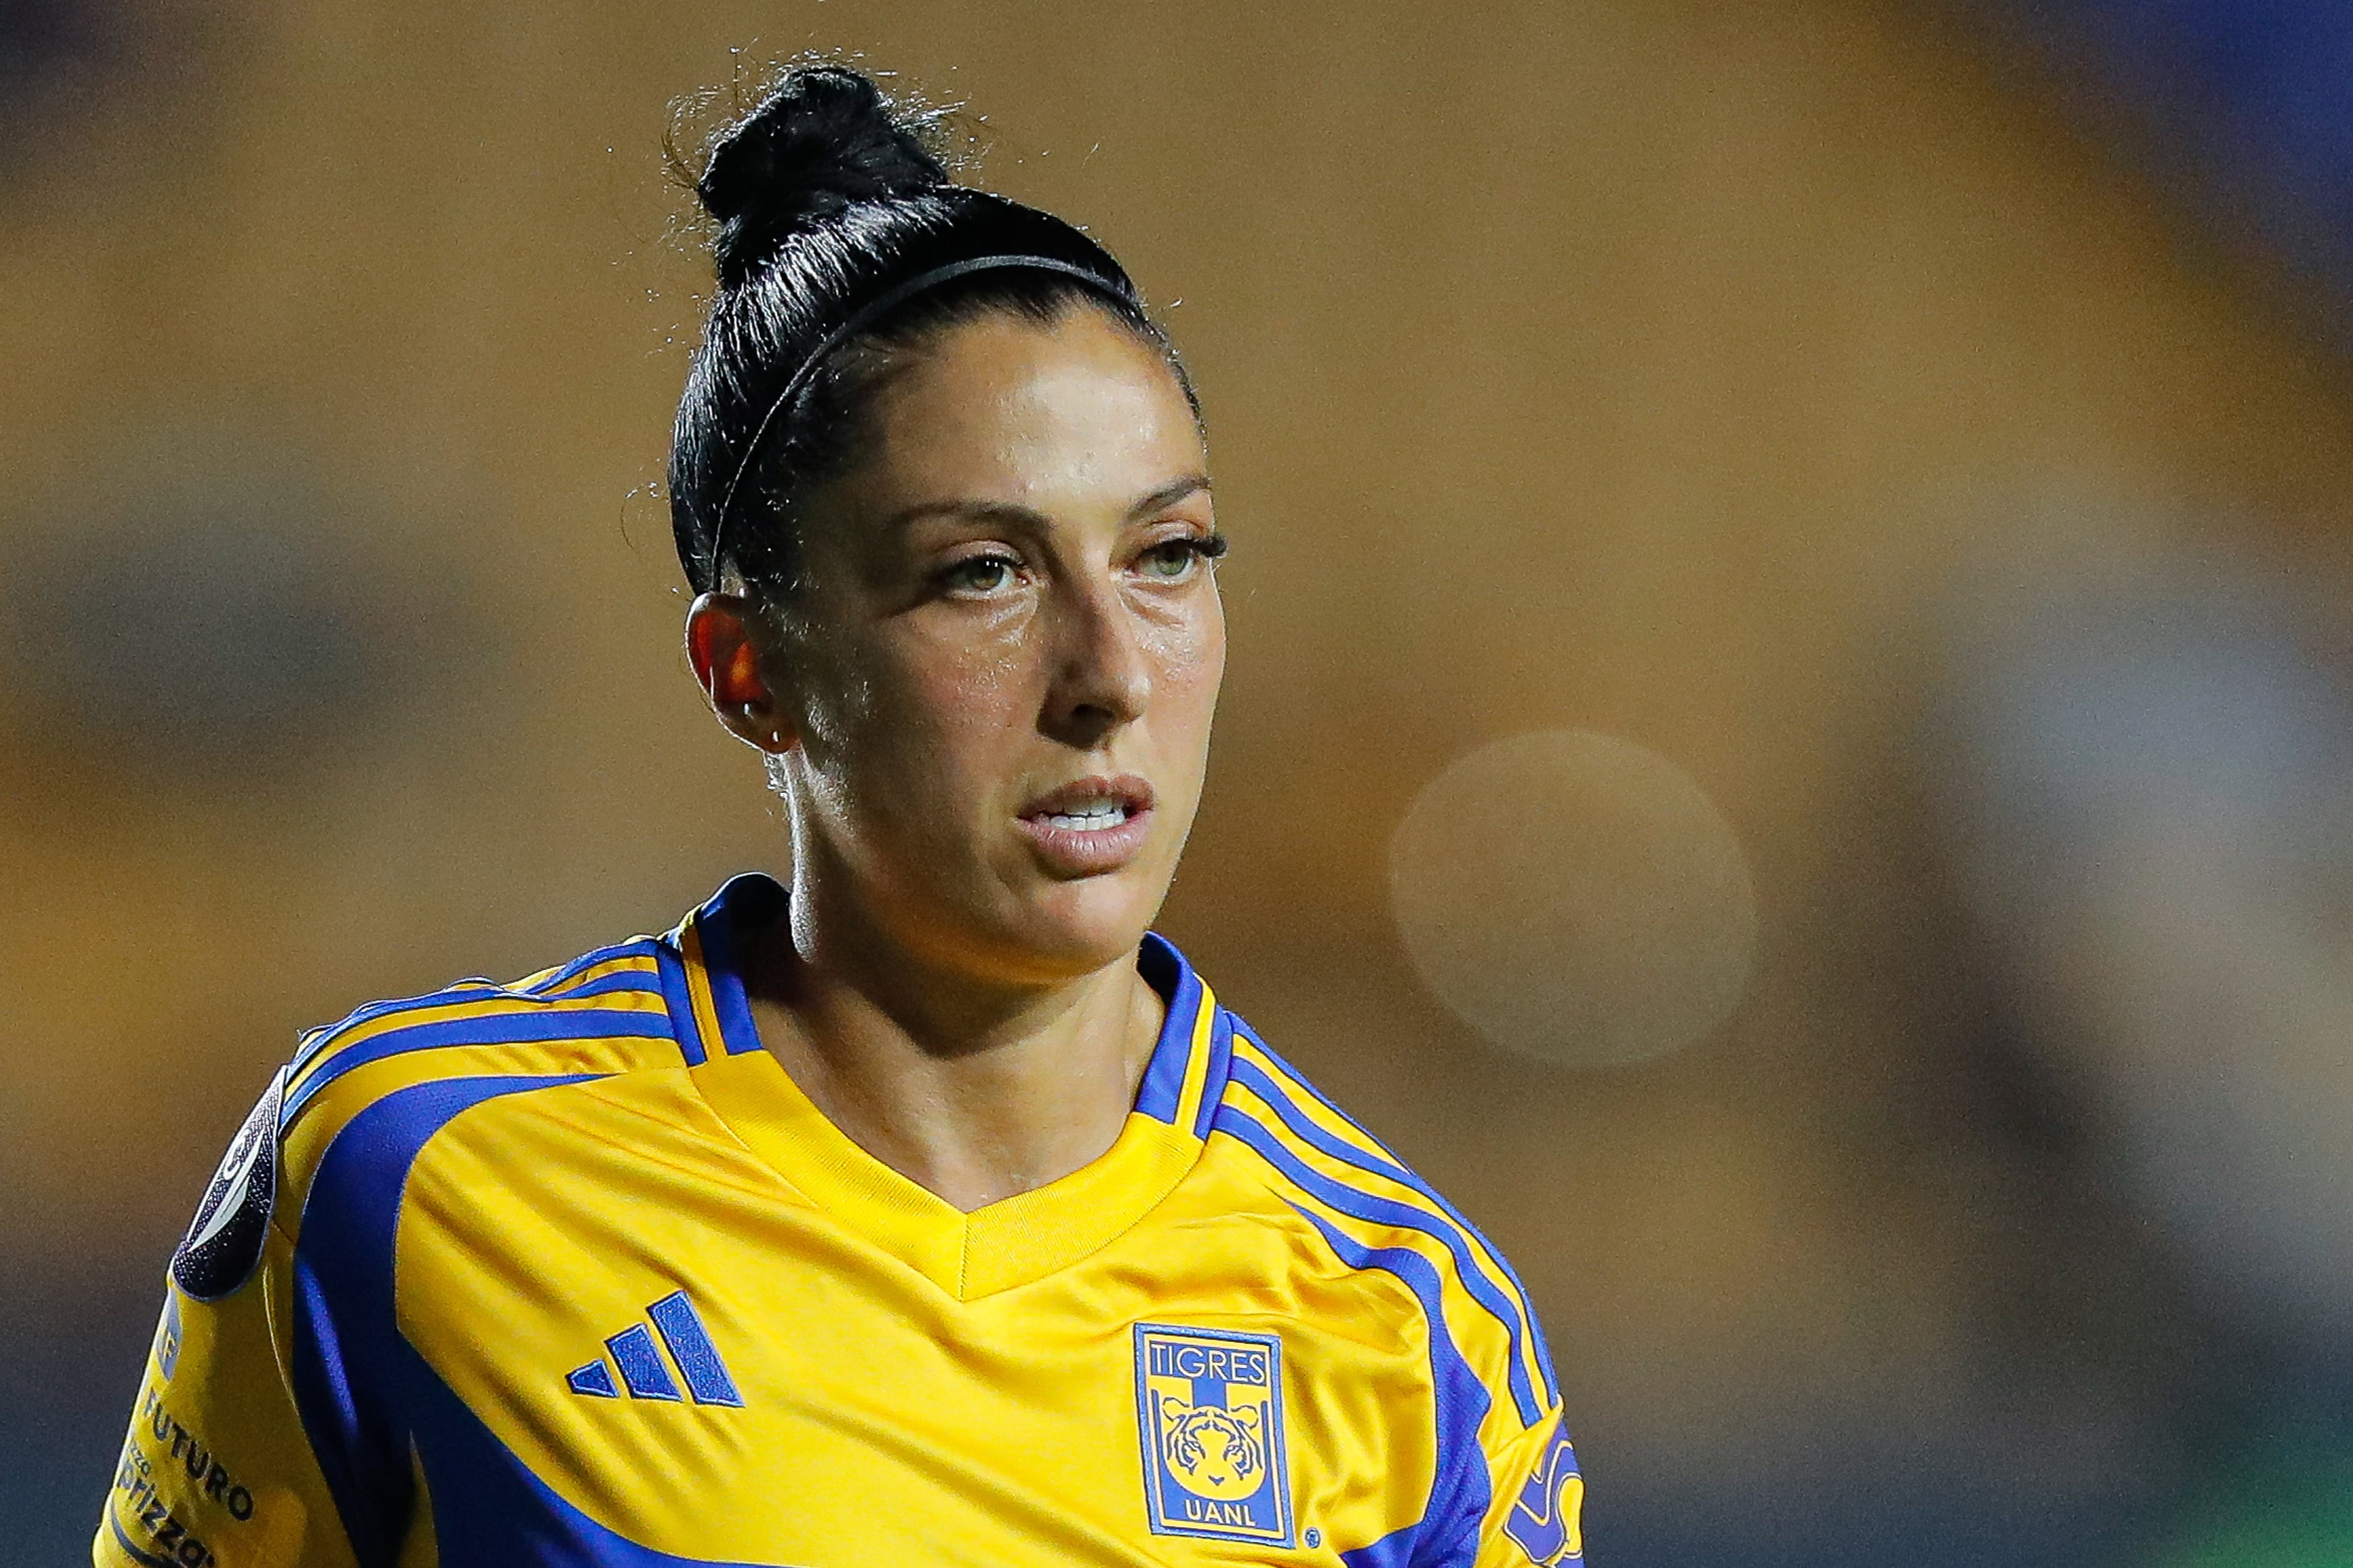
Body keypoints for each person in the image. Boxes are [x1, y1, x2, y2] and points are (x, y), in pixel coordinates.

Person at [93, 63, 1585, 1568]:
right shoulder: (418, 1168)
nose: (1111, 675)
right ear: (752, 671)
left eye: (1167, 554)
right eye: (981, 573)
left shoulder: (1408, 1329)